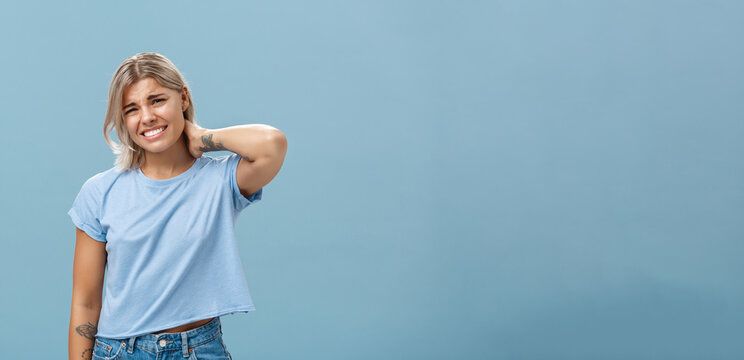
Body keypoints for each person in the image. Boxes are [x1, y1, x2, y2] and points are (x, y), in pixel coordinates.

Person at [67, 52, 288, 360]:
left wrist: (202, 138)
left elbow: (272, 144)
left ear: (183, 97)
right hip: (117, 351)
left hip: (198, 350)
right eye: (132, 109)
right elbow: (85, 302)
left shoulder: (221, 180)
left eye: (157, 100)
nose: (146, 117)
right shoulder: (99, 192)